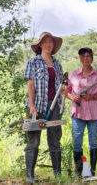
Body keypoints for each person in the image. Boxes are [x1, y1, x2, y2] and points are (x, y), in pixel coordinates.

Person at [24, 32, 64, 182]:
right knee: (33, 138)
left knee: (54, 138)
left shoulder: (57, 64)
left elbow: (61, 86)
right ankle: (30, 176)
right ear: (40, 45)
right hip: (37, 105)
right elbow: (30, 84)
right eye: (45, 41)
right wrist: (32, 105)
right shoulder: (33, 62)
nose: (48, 44)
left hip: (54, 106)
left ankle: (58, 175)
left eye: (51, 42)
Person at [65, 47, 97, 177]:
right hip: (78, 114)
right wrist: (73, 97)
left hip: (94, 114)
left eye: (88, 56)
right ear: (79, 59)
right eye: (83, 56)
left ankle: (92, 172)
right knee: (77, 142)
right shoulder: (73, 75)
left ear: (92, 58)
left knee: (93, 142)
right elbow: (65, 91)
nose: (86, 59)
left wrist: (93, 97)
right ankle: (79, 172)